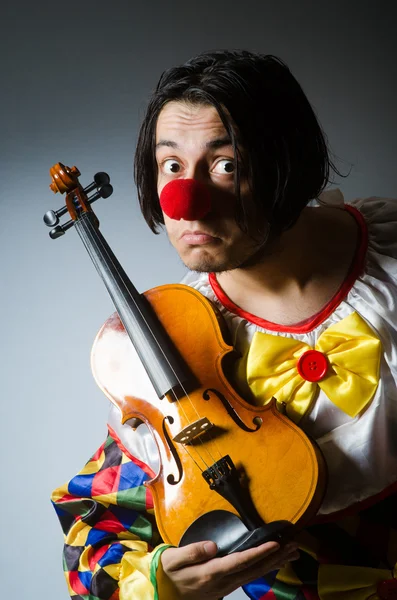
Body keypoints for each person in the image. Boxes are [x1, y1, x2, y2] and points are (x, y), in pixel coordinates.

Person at [52, 50, 397, 600]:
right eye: (171, 166)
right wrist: (162, 585)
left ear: (288, 163)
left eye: (226, 165)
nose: (185, 202)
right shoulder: (173, 342)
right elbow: (97, 529)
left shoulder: (390, 254)